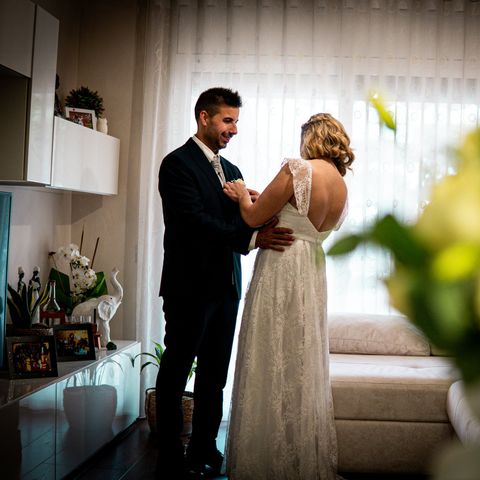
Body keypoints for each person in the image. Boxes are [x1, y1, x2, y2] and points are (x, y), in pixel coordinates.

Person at [156, 87, 295, 479]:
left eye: (236, 121)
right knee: (177, 369)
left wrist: (261, 216)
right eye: (227, 120)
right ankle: (169, 455)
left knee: (215, 375)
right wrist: (252, 238)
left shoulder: (232, 171)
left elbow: (240, 222)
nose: (233, 129)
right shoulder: (176, 165)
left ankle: (204, 446)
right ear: (204, 117)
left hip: (226, 288)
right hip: (188, 288)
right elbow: (194, 222)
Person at [223, 113, 355, 479]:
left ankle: (264, 459)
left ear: (310, 140)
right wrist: (258, 199)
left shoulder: (298, 169)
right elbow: (290, 211)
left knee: (270, 354)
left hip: (282, 267)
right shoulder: (342, 188)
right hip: (312, 269)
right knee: (300, 358)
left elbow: (252, 218)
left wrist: (240, 193)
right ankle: (298, 456)